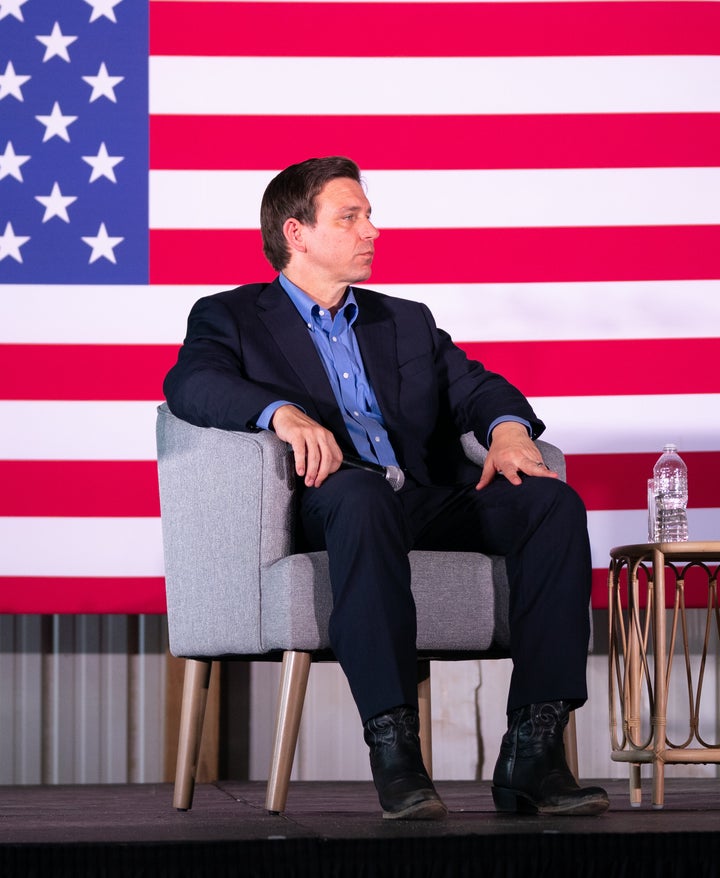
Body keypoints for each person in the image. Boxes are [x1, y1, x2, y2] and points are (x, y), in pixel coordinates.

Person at [164, 156, 609, 820]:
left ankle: (533, 751)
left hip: (420, 497)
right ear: (297, 232)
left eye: (369, 214)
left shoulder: (403, 320)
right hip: (330, 498)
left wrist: (509, 427)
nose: (372, 229)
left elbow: (476, 386)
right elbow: (190, 385)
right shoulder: (232, 316)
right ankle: (395, 749)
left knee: (551, 503)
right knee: (363, 497)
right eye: (351, 217)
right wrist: (279, 413)